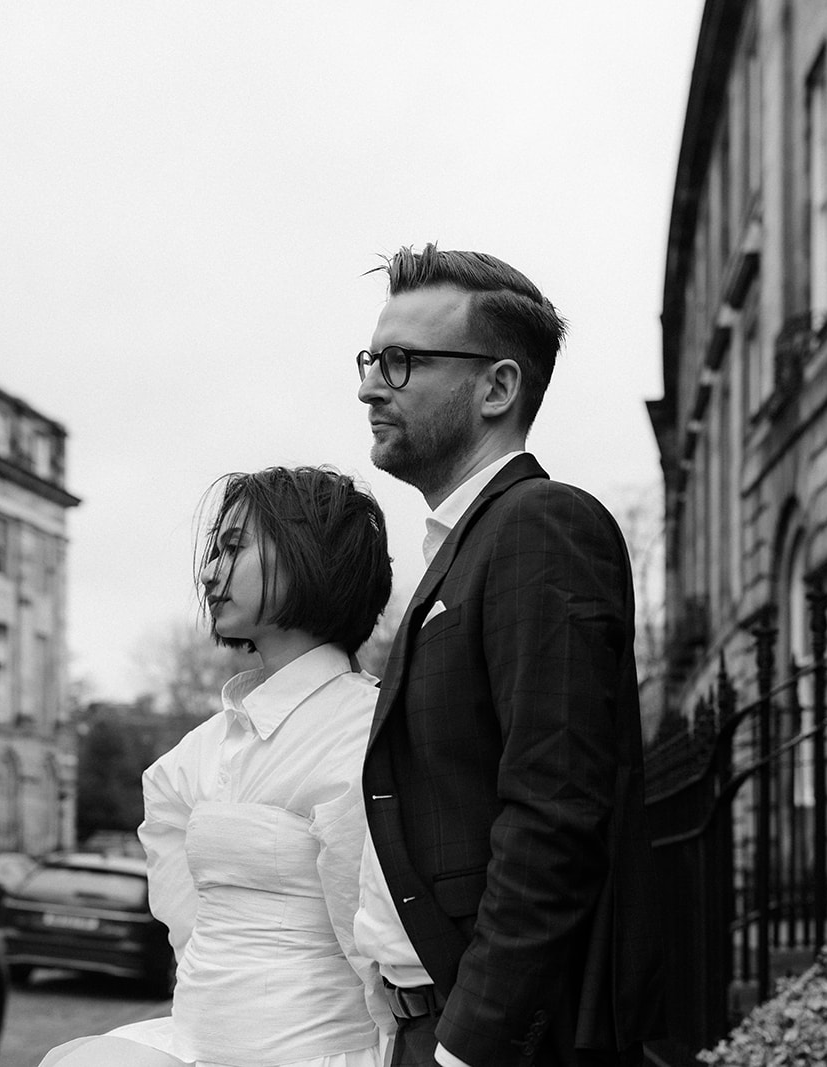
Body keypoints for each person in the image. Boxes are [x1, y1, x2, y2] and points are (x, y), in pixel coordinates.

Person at [352, 244, 665, 1067]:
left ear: (497, 386)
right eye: (370, 358)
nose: (369, 384)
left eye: (402, 361)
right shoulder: (462, 547)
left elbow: (556, 811)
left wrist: (468, 1045)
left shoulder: (541, 525)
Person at [39, 466, 396, 1067]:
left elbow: (386, 951)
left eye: (234, 548)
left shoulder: (365, 733)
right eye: (214, 551)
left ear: (312, 557)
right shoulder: (195, 755)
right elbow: (186, 919)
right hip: (192, 1046)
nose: (209, 572)